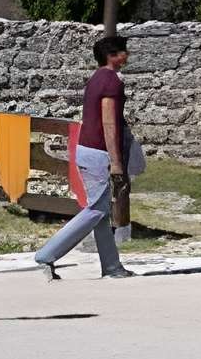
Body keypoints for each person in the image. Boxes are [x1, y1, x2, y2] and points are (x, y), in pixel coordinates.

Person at [33, 33, 135, 281]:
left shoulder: (96, 78)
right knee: (96, 211)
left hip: (86, 150)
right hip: (99, 153)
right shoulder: (111, 81)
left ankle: (112, 266)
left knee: (101, 212)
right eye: (123, 51)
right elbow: (109, 123)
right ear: (112, 55)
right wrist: (116, 163)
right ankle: (46, 255)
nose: (127, 55)